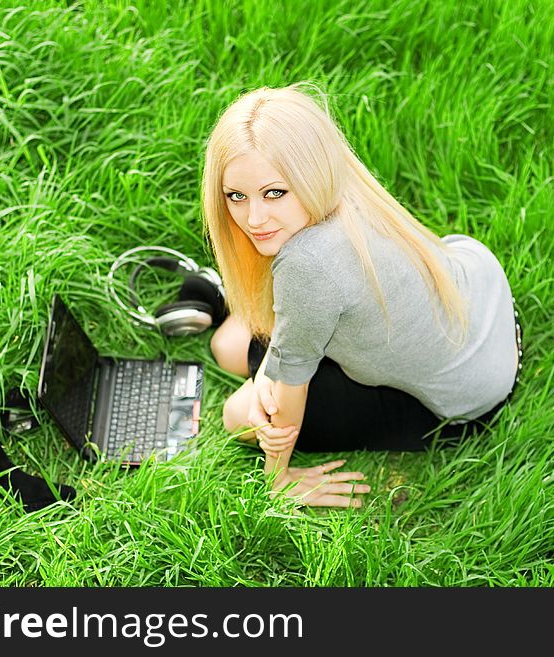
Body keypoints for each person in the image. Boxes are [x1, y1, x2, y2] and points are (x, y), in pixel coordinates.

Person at [202, 83, 522, 509]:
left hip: (465, 395)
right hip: (483, 299)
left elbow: (290, 393)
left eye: (274, 192)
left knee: (237, 416)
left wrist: (278, 479)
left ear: (307, 173)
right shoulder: (338, 184)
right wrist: (270, 371)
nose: (254, 218)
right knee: (227, 346)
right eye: (236, 197)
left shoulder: (308, 264)